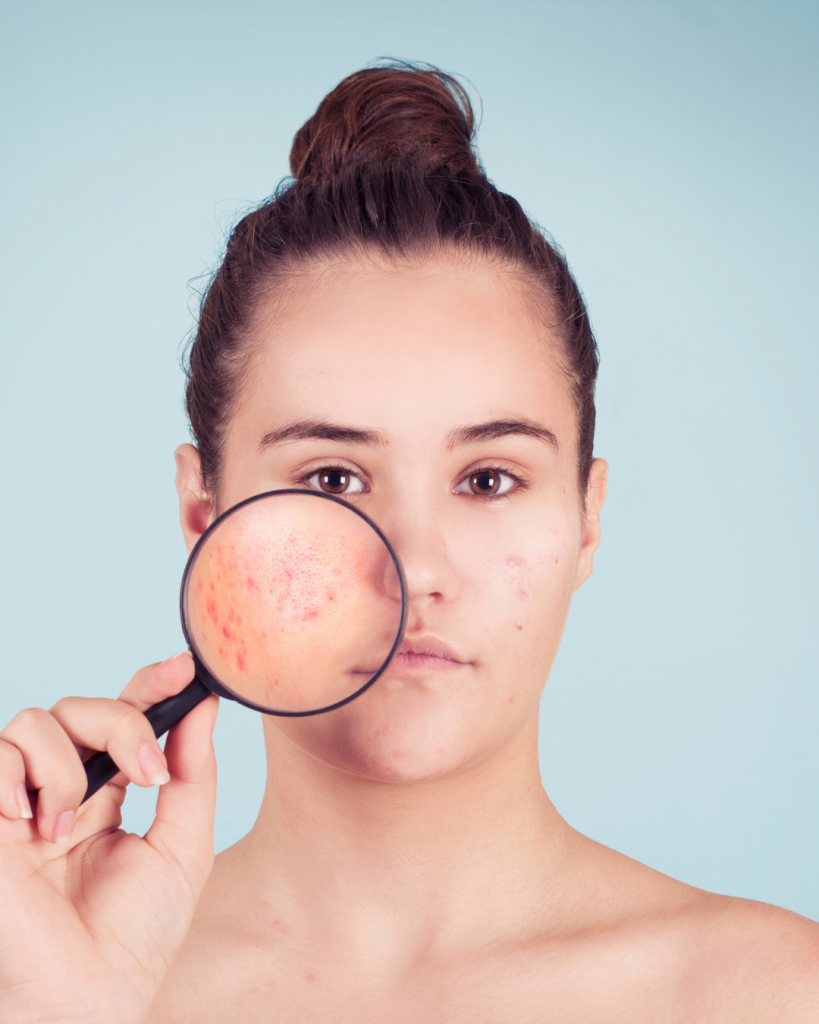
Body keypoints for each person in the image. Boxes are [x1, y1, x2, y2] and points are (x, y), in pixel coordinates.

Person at [1, 64, 817, 1023]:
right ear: (203, 514)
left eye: (488, 480)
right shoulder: (49, 969)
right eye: (332, 481)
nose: (414, 570)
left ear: (586, 520)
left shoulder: (769, 994)